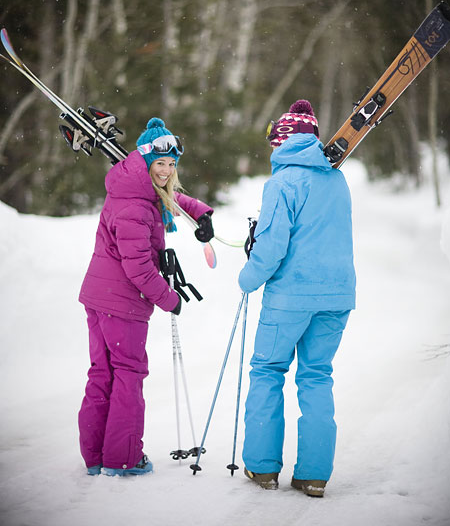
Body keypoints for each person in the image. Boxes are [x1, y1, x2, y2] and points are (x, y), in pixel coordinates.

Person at [78, 117, 214, 476]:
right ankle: (122, 459)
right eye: (160, 163)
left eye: (171, 164)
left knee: (103, 374)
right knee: (127, 374)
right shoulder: (136, 206)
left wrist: (201, 213)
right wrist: (169, 298)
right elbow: (138, 268)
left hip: (100, 297)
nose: (166, 171)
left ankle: (96, 457)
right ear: (145, 161)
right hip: (122, 303)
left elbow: (170, 197)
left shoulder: (133, 186)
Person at [238, 99, 356, 497]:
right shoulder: (337, 179)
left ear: (282, 142)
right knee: (317, 375)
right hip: (336, 296)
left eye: (274, 142)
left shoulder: (282, 183)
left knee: (268, 370)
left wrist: (248, 278)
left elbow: (272, 247)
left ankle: (262, 467)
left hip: (291, 296)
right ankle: (314, 474)